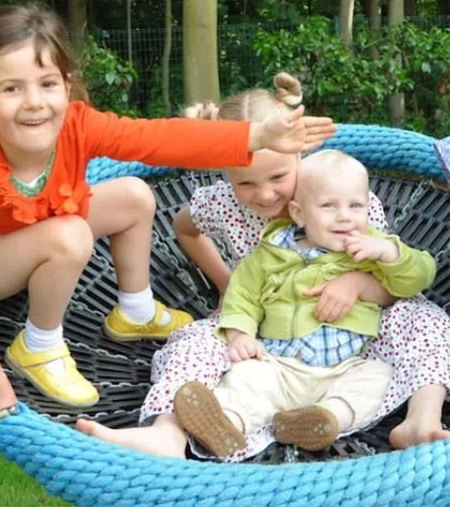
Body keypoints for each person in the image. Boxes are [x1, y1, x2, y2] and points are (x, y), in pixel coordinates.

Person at [0, 6, 336, 409]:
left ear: (66, 88)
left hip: (43, 227)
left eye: (47, 84)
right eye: (12, 89)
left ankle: (134, 311)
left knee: (135, 195)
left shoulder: (77, 123)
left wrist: (256, 134)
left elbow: (159, 139)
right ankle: (40, 344)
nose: (34, 102)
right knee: (70, 233)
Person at [77, 74, 449, 456]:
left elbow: (391, 278)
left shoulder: (339, 196)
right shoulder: (221, 203)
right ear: (223, 170)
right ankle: (168, 432)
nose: (265, 194)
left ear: (298, 156)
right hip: (264, 335)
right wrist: (225, 282)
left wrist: (355, 285)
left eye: (278, 177)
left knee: (426, 319)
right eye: (245, 183)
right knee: (191, 342)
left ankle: (421, 419)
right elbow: (184, 229)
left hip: (356, 332)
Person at [172, 149, 436, 457]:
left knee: (377, 378)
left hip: (346, 367)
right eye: (328, 206)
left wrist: (390, 253)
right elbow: (241, 296)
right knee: (246, 379)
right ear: (299, 214)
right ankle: (226, 425)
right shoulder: (270, 253)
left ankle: (325, 419)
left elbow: (418, 276)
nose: (344, 216)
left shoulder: (372, 247)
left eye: (356, 206)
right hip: (279, 365)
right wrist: (240, 334)